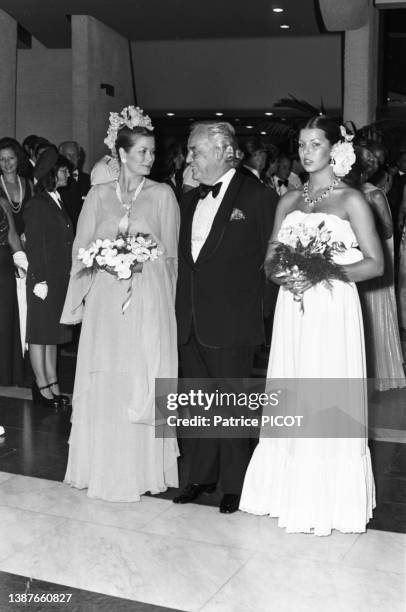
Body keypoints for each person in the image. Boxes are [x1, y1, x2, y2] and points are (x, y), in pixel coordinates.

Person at [240, 116, 384, 535]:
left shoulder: (351, 199)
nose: (306, 152)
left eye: (315, 143)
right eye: (302, 144)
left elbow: (375, 264)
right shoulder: (287, 201)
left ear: (335, 149)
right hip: (293, 306)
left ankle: (328, 501)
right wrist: (282, 274)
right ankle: (284, 492)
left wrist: (325, 273)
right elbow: (268, 262)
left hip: (333, 307)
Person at [60, 106, 179, 502]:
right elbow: (81, 248)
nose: (150, 158)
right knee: (105, 374)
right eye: (142, 151)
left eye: (152, 151)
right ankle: (102, 464)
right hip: (106, 305)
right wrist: (102, 261)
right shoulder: (96, 196)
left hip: (147, 301)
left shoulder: (163, 195)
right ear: (122, 154)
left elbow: (172, 257)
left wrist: (144, 259)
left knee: (140, 374)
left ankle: (141, 467)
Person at [174, 121, 277, 513]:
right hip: (191, 319)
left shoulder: (257, 196)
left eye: (195, 151)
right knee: (199, 402)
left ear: (221, 151)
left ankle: (235, 482)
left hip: (233, 320)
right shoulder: (188, 199)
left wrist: (261, 316)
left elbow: (272, 262)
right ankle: (201, 476)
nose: (189, 159)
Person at [24, 149, 73, 408]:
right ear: (51, 174)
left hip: (57, 278)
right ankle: (41, 385)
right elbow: (35, 244)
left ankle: (53, 382)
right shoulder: (37, 204)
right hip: (44, 280)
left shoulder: (56, 200)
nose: (68, 173)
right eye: (63, 169)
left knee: (52, 334)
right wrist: (40, 280)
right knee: (40, 334)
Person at [353, 148, 406, 390]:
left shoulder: (375, 195)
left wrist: (362, 233)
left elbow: (386, 230)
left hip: (370, 262)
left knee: (372, 315)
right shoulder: (345, 193)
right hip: (353, 263)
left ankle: (375, 371)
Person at [0, 198, 27, 385]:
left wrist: (24, 262)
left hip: (2, 264)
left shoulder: (2, 202)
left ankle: (5, 373)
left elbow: (12, 235)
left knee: (5, 320)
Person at [0, 137, 33, 237]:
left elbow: (34, 216)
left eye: (11, 158)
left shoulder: (29, 184)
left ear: (18, 158)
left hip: (28, 242)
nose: (7, 163)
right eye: (2, 159)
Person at [58, 141, 91, 232]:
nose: (71, 159)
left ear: (79, 157)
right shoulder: (56, 183)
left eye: (74, 155)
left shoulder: (90, 180)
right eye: (68, 155)